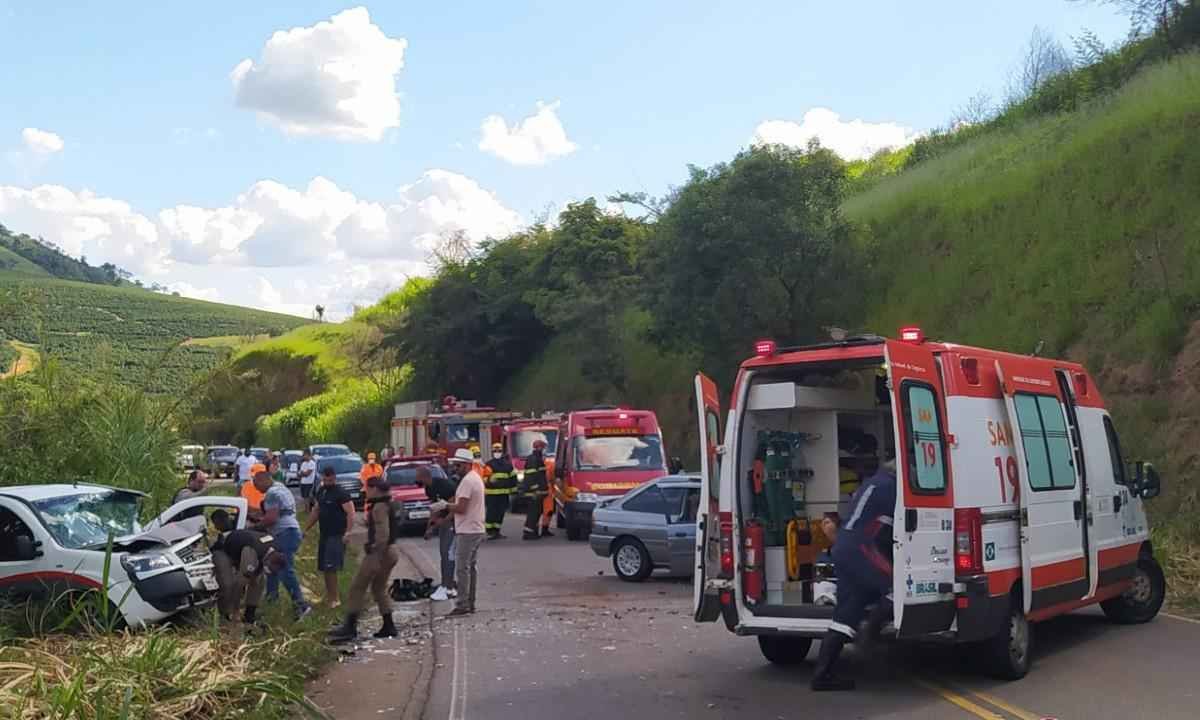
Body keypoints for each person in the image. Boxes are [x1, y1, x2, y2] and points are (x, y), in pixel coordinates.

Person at [812, 452, 897, 692]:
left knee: (846, 613)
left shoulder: (870, 484)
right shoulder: (891, 488)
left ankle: (822, 675)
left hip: (843, 547)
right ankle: (869, 634)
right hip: (862, 548)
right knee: (896, 588)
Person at [329, 476, 401, 641]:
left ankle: (350, 626)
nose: (365, 492)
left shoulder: (379, 507)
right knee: (379, 589)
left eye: (367, 489)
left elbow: (383, 535)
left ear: (375, 489)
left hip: (379, 553)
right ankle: (389, 625)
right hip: (391, 552)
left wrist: (374, 549)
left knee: (357, 587)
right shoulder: (388, 504)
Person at [252, 465, 312, 619]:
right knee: (272, 567)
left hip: (284, 533)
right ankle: (271, 601)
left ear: (263, 480)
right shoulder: (281, 488)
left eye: (256, 485)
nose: (257, 489)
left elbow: (271, 518)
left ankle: (301, 606)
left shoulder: (272, 493)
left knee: (285, 570)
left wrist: (256, 526)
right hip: (290, 531)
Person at [210, 510, 287, 628]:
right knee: (229, 584)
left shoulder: (277, 549)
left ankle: (249, 614)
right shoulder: (252, 552)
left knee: (259, 581)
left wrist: (256, 574)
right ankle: (226, 615)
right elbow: (240, 583)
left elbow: (258, 577)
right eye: (269, 568)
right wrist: (235, 610)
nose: (268, 571)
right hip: (224, 551)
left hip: (244, 547)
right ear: (269, 560)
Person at [440, 449, 485, 617]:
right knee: (470, 568)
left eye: (457, 465)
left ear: (466, 465)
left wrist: (444, 505)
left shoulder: (467, 482)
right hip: (475, 527)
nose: (454, 468)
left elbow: (461, 507)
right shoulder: (475, 478)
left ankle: (462, 604)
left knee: (462, 568)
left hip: (467, 529)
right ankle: (470, 602)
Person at [304, 466, 355, 607]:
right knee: (324, 567)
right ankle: (329, 595)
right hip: (324, 534)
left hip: (337, 534)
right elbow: (316, 511)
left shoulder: (341, 493)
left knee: (331, 567)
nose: (328, 482)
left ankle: (335, 598)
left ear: (334, 477)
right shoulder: (321, 491)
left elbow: (351, 513)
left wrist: (348, 532)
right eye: (325, 479)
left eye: (330, 479)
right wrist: (305, 529)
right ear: (322, 478)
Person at [417, 466, 458, 601]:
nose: (416, 480)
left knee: (448, 553)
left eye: (418, 477)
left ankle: (449, 586)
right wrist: (430, 527)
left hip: (454, 522)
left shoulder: (444, 486)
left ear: (424, 476)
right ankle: (446, 583)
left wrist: (444, 521)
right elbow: (434, 509)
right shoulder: (429, 489)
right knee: (443, 553)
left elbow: (454, 508)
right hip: (444, 522)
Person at [516, 440, 549, 541]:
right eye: (543, 448)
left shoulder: (537, 458)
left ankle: (533, 531)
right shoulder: (534, 459)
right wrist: (536, 490)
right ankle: (528, 533)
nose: (544, 450)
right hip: (534, 492)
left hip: (538, 492)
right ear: (539, 447)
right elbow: (531, 476)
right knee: (533, 513)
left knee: (537, 512)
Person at [482, 442, 515, 540]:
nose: (497, 452)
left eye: (499, 451)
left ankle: (497, 531)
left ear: (502, 452)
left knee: (500, 513)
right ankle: (490, 532)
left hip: (503, 494)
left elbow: (513, 478)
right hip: (491, 494)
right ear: (492, 452)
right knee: (491, 513)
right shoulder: (488, 464)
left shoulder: (508, 465)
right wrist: (489, 480)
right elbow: (483, 478)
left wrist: (514, 491)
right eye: (495, 451)